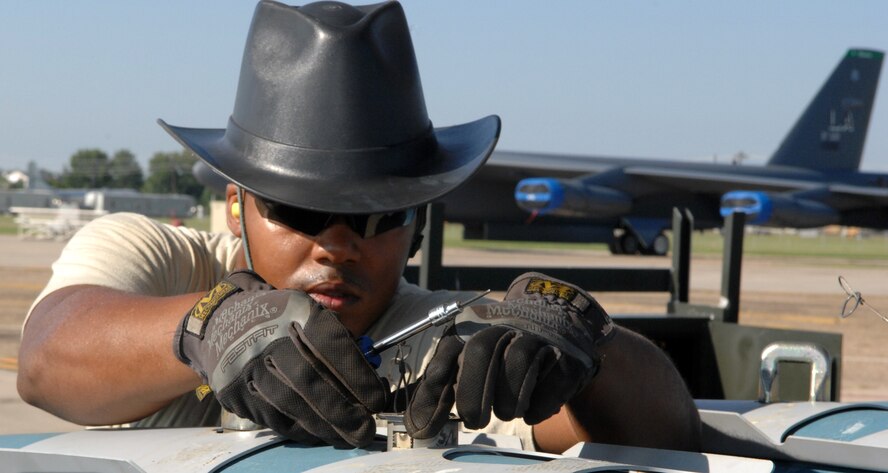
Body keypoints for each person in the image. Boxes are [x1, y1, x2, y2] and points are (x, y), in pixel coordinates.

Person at [17, 0, 700, 452]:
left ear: (419, 226)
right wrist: (211, 326)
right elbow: (45, 358)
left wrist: (594, 351)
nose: (338, 244)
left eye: (377, 214)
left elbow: (671, 435)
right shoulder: (160, 259)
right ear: (235, 204)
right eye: (300, 210)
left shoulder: (440, 344)